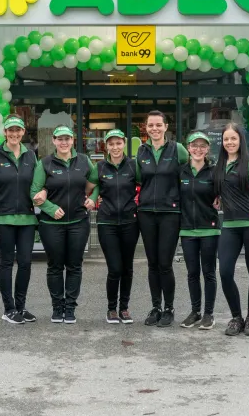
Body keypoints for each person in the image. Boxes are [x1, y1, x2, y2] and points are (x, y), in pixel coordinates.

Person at [31, 126, 98, 324]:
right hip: (51, 223)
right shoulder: (45, 163)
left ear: (72, 140)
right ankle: (57, 306)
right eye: (60, 139)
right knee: (55, 266)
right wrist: (51, 208)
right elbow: (34, 192)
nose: (64, 142)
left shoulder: (84, 161)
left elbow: (96, 183)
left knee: (74, 265)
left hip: (78, 221)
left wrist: (93, 198)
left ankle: (70, 307)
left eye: (67, 138)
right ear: (53, 141)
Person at [0, 115, 39, 324]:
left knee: (25, 263)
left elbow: (38, 183)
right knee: (6, 262)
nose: (14, 134)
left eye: (18, 130)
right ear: (4, 132)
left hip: (26, 218)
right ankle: (8, 309)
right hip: (2, 218)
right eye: (10, 130)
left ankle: (21, 308)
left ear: (23, 132)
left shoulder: (31, 156)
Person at [136, 111, 190, 327]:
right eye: (151, 125)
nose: (155, 129)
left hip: (170, 213)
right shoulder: (141, 151)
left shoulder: (178, 150)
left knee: (165, 263)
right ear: (146, 128)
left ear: (166, 127)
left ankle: (169, 308)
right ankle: (155, 307)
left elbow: (191, 171)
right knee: (152, 263)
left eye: (159, 125)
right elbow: (139, 180)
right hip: (147, 213)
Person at [213, 122, 249, 337]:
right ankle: (236, 317)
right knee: (225, 272)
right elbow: (219, 191)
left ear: (241, 140)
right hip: (230, 226)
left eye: (233, 138)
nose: (230, 142)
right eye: (226, 139)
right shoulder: (220, 165)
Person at [177, 132, 221, 330]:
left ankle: (208, 314)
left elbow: (226, 191)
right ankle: (195, 312)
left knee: (208, 272)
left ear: (207, 149)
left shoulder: (214, 171)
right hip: (187, 230)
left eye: (202, 146)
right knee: (192, 273)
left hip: (209, 229)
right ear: (188, 147)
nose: (198, 149)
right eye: (194, 145)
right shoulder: (181, 172)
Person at [95, 129, 139, 324]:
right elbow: (90, 187)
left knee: (127, 268)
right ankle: (112, 308)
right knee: (115, 268)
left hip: (130, 222)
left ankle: (124, 308)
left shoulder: (133, 165)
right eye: (111, 144)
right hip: (107, 222)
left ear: (124, 143)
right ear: (106, 146)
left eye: (118, 143)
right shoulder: (100, 167)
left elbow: (147, 184)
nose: (115, 147)